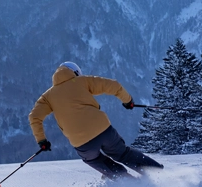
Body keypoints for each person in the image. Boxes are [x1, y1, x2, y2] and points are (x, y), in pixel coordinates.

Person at [29, 61, 163, 178]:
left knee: (96, 160)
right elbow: (114, 86)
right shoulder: (83, 81)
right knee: (123, 154)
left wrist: (42, 141)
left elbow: (34, 117)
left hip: (81, 142)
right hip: (103, 130)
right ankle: (159, 174)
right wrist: (128, 101)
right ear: (75, 73)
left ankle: (125, 180)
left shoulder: (47, 97)